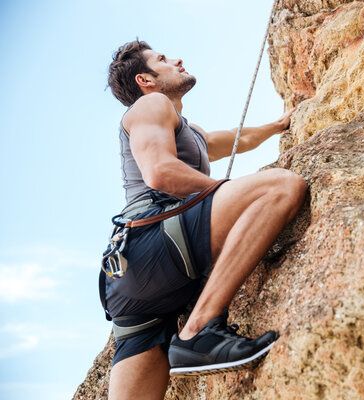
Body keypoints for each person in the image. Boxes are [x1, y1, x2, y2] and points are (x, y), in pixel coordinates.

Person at [102, 39, 307, 400]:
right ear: (145, 80)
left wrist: (279, 125)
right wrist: (229, 194)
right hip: (155, 242)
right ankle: (199, 330)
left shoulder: (187, 130)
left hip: (130, 280)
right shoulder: (151, 105)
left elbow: (235, 139)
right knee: (279, 186)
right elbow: (161, 173)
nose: (177, 59)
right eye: (162, 59)